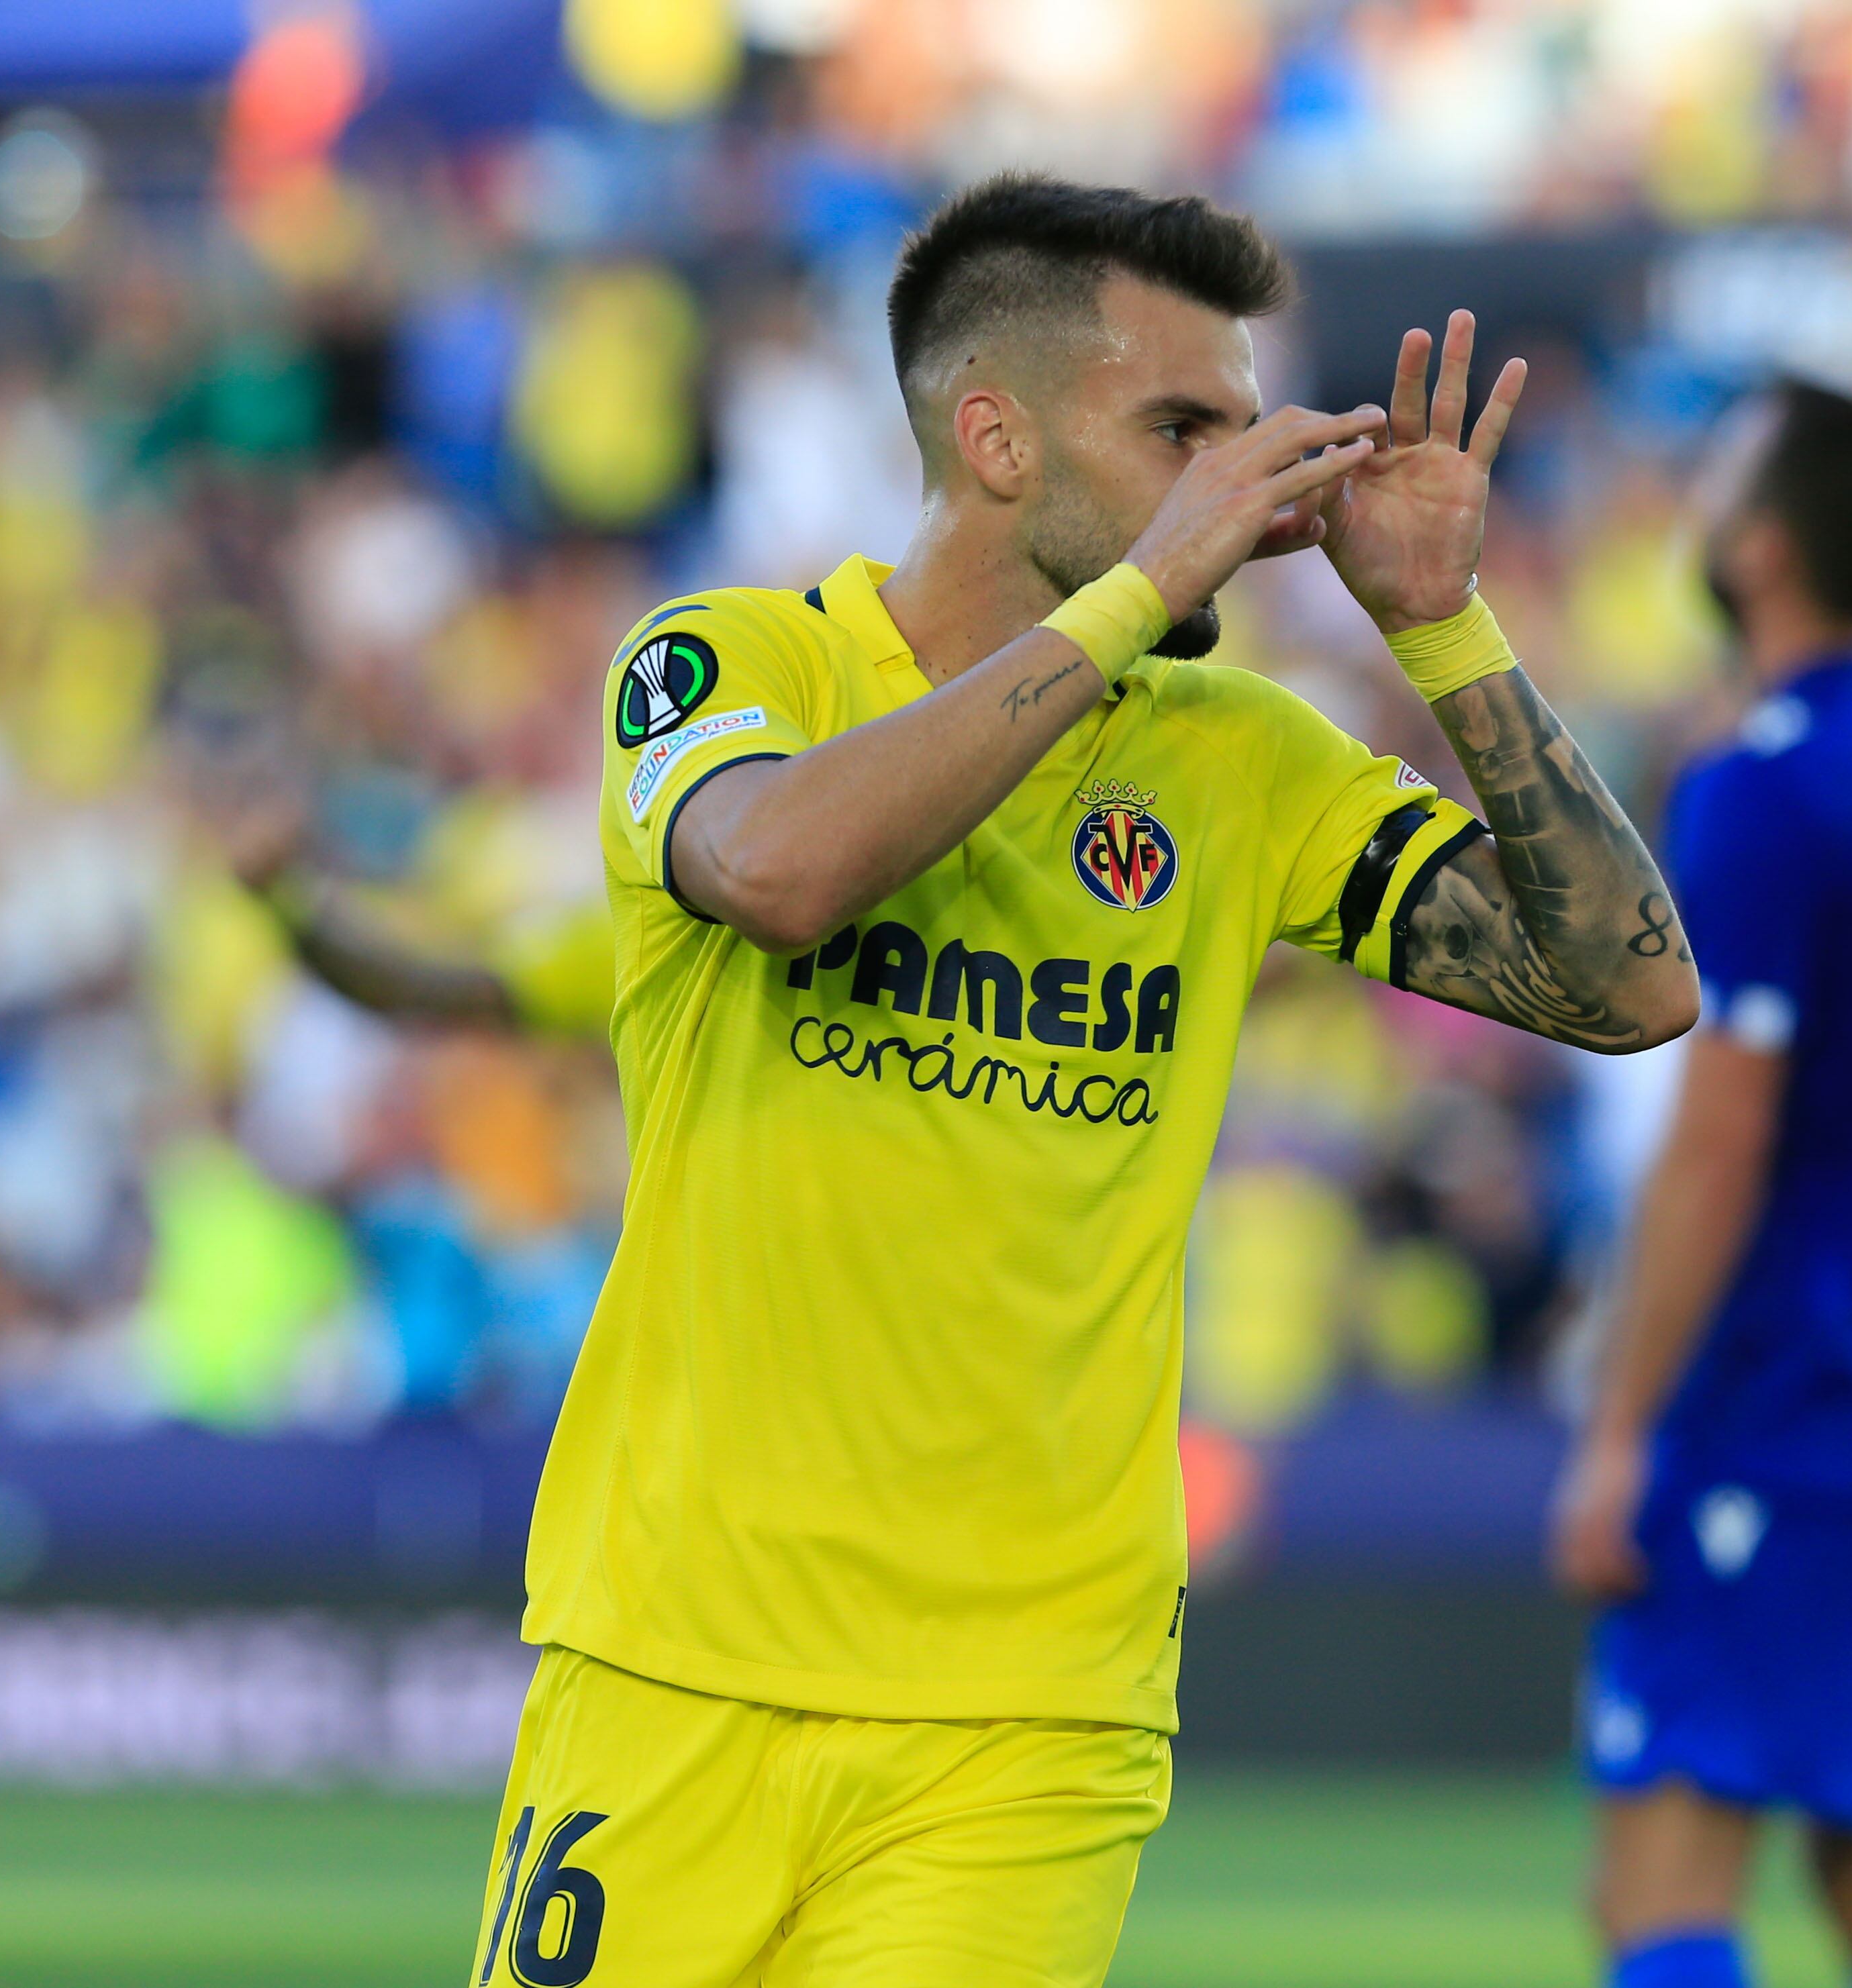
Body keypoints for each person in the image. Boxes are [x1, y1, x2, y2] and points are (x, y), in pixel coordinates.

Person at [244, 174, 1698, 1988]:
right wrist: (1137, 594)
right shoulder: (729, 663)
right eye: (1180, 429)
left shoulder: (1239, 758)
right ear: (996, 438)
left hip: (1032, 1714)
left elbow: (1631, 983)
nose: (1242, 483)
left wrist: (1442, 630)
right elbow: (779, 874)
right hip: (681, 1664)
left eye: (1242, 433)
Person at [1551, 381, 1852, 1988]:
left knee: (1657, 1878)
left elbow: (1720, 1137)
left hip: (1790, 1402)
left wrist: (1622, 1423)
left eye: (1715, 474)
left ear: (1755, 545)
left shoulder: (1769, 774)